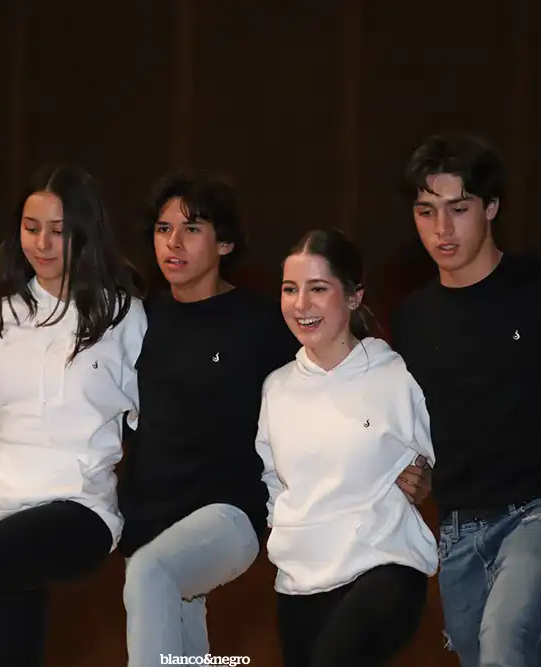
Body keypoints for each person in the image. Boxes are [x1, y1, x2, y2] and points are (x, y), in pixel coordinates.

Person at [117, 174, 429, 666]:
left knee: (151, 573)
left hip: (228, 514)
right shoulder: (138, 321)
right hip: (156, 525)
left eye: (191, 228)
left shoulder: (263, 326)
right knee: (179, 646)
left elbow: (338, 372)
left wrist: (416, 464)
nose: (173, 242)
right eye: (163, 228)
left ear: (224, 243)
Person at [389, 132, 541, 666]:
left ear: (491, 207)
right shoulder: (412, 319)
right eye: (426, 211)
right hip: (459, 524)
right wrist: (419, 469)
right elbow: (422, 423)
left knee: (506, 643)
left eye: (458, 208)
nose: (442, 229)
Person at [0, 165, 146, 667]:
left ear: (86, 232)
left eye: (58, 230)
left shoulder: (123, 316)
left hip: (78, 509)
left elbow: (155, 422)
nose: (42, 243)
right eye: (31, 227)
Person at [256, 229, 436, 667]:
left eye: (318, 289)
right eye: (290, 289)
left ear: (354, 297)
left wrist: (430, 475)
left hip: (385, 564)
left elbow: (453, 448)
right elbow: (272, 480)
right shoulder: (277, 388)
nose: (301, 304)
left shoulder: (396, 376)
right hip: (299, 582)